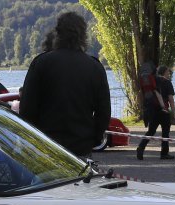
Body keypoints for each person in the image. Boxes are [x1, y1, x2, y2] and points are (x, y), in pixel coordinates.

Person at [20, 12, 111, 157]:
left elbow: (27, 107)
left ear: (58, 33)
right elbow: (104, 112)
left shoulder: (41, 63)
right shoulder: (95, 67)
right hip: (81, 146)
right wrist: (94, 138)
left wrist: (32, 138)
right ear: (83, 35)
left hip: (46, 145)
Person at [135, 61, 174, 159]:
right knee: (165, 132)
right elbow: (170, 98)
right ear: (164, 72)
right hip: (164, 110)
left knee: (151, 131)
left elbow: (142, 95)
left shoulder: (151, 81)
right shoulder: (167, 82)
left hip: (153, 110)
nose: (169, 74)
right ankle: (164, 153)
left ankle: (141, 147)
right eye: (168, 72)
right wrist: (173, 112)